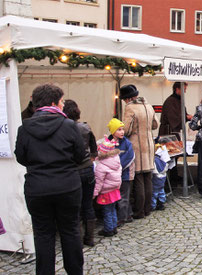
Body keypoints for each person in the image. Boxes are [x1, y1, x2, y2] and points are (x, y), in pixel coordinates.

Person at [14, 84, 85, 275]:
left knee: (43, 235)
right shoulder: (69, 126)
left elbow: (21, 157)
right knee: (70, 231)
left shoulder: (24, 128)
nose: (63, 105)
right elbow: (80, 155)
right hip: (67, 186)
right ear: (54, 102)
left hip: (37, 188)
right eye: (62, 101)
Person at [120, 84, 159, 219]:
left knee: (138, 178)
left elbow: (126, 130)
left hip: (136, 145)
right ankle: (148, 208)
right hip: (149, 143)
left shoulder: (130, 108)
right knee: (148, 177)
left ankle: (139, 211)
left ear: (128, 98)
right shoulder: (148, 106)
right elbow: (155, 125)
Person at [63, 99, 98, 247]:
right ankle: (89, 238)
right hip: (88, 168)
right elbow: (94, 150)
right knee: (87, 204)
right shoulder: (85, 127)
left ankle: (77, 240)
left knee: (74, 207)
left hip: (73, 171)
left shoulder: (64, 129)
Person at [107, 118, 135, 226]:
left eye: (122, 129)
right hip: (113, 175)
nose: (122, 132)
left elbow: (129, 157)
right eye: (119, 130)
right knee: (120, 196)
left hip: (124, 174)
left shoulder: (127, 143)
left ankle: (122, 218)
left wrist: (118, 168)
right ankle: (128, 214)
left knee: (124, 196)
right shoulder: (108, 142)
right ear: (113, 131)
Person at [93, 137, 122, 237]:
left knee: (107, 211)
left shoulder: (101, 166)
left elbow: (99, 182)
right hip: (114, 190)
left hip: (106, 191)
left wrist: (95, 193)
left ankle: (108, 229)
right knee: (112, 209)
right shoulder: (116, 161)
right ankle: (113, 227)